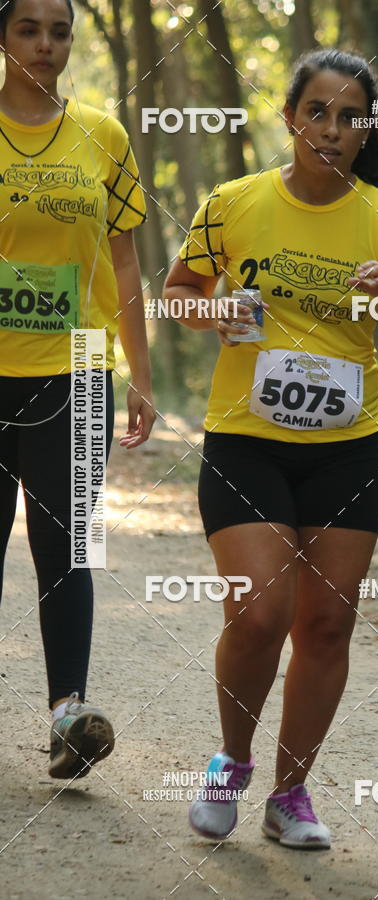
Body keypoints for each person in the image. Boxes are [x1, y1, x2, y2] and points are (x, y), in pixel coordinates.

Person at [164, 47, 378, 848]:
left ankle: (291, 796)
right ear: (290, 119)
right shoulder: (235, 203)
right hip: (246, 440)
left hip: (347, 452)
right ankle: (231, 761)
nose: (331, 127)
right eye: (316, 111)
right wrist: (210, 314)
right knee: (261, 612)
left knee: (325, 627)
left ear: (367, 131)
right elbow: (180, 290)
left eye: (349, 115)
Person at [0, 0, 154, 778]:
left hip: (78, 370)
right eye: (28, 28)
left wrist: (141, 376)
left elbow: (124, 262)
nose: (46, 44)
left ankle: (70, 714)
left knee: (65, 551)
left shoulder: (105, 135)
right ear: (2, 36)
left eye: (59, 31)